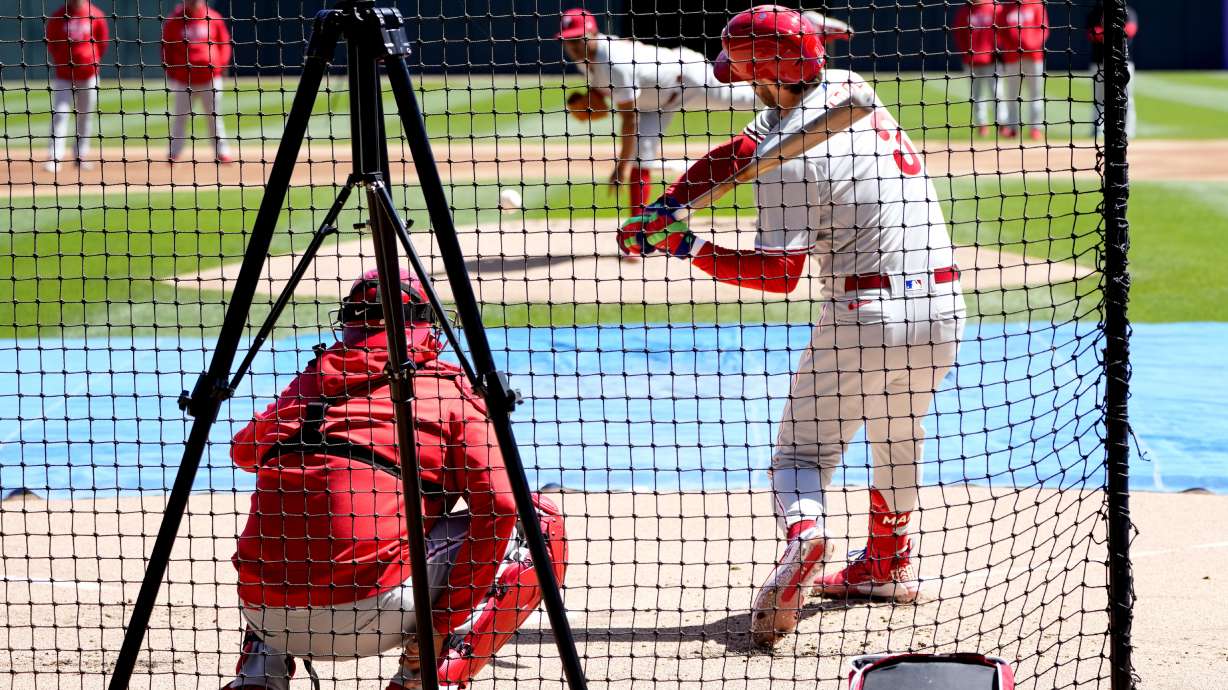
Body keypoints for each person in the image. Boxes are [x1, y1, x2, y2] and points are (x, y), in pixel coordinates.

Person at [616, 5, 964, 648]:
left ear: (762, 74)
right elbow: (739, 151)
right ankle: (886, 563)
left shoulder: (790, 166)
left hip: (864, 318)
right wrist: (671, 203)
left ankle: (807, 536)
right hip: (942, 312)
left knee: (799, 455)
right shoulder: (844, 88)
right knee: (897, 427)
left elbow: (777, 276)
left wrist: (685, 246)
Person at [224, 269, 568, 690]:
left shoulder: (313, 379)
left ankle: (258, 678)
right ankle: (421, 676)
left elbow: (243, 452)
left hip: (263, 612)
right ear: (426, 325)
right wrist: (445, 620)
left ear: (349, 320)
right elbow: (501, 505)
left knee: (297, 517)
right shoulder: (448, 389)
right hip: (374, 611)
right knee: (540, 524)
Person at [556, 7, 759, 219]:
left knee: (748, 99)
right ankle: (639, 230)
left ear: (593, 34)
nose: (573, 46)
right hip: (652, 104)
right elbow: (605, 85)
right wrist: (594, 94)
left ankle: (788, 89)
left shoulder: (613, 62)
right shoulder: (585, 57)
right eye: (568, 41)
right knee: (641, 157)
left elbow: (629, 119)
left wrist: (621, 166)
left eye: (578, 39)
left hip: (687, 79)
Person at [162, 0, 234, 163]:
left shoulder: (213, 17)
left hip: (210, 78)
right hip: (183, 80)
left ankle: (222, 152)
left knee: (214, 117)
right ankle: (174, 152)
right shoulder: (174, 20)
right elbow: (166, 48)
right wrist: (173, 72)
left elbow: (224, 44)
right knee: (180, 117)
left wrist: (219, 66)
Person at [43, 0, 109, 173]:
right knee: (60, 114)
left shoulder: (95, 14)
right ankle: (54, 157)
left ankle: (80, 155)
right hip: (64, 76)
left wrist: (90, 61)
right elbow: (51, 43)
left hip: (88, 75)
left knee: (85, 116)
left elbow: (102, 43)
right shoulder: (58, 16)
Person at [996, 0, 1049, 140]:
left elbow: (1044, 30)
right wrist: (1012, 46)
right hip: (1012, 57)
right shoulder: (1005, 7)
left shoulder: (1036, 4)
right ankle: (1013, 127)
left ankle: (1035, 128)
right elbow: (1000, 31)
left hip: (1034, 56)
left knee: (1036, 93)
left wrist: (1030, 45)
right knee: (1012, 95)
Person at [1088, 1, 1139, 138]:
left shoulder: (1127, 10)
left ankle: (1129, 131)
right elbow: (1091, 33)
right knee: (1099, 98)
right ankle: (1097, 131)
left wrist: (1106, 33)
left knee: (1126, 98)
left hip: (1124, 63)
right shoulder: (1096, 12)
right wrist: (1114, 33)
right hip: (1099, 63)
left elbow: (1131, 29)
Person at [952, 0, 1003, 137]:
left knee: (997, 92)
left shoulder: (995, 8)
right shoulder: (965, 10)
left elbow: (1004, 31)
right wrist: (965, 53)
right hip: (972, 60)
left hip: (992, 59)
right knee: (977, 94)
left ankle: (1002, 124)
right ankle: (982, 124)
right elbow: (959, 34)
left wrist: (1000, 49)